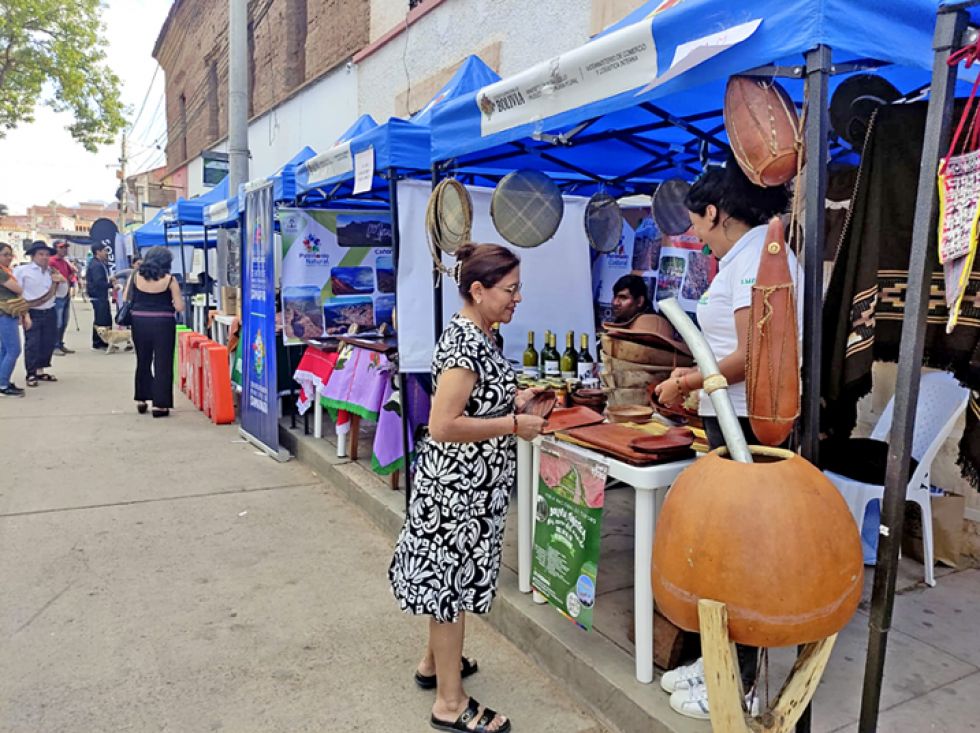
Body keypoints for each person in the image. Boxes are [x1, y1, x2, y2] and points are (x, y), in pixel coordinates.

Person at [654, 161, 799, 721]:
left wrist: (687, 380)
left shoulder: (758, 260)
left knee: (747, 553)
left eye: (698, 225)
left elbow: (750, 356)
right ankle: (718, 659)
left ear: (715, 212)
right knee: (726, 546)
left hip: (749, 425)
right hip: (728, 417)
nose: (698, 237)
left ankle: (742, 682)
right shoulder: (743, 258)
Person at [388, 243, 546, 733]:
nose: (517, 298)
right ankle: (449, 704)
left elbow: (476, 402)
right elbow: (444, 425)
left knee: (448, 585)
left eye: (518, 287)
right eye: (510, 289)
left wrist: (513, 397)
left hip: (471, 488)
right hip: (456, 491)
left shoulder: (482, 333)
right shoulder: (463, 343)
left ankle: (434, 665)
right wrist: (513, 423)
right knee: (449, 591)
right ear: (477, 291)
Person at [126, 247, 184, 417]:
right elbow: (179, 306)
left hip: (139, 321)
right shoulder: (170, 280)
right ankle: (160, 405)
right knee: (163, 362)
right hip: (163, 323)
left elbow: (126, 298)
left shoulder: (135, 276)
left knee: (143, 360)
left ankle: (141, 399)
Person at [15, 241, 65, 387]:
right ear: (33, 256)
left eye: (47, 255)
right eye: (41, 254)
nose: (44, 257)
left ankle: (40, 370)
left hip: (49, 310)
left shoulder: (52, 272)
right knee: (32, 343)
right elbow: (17, 293)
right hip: (32, 311)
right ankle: (30, 373)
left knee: (47, 342)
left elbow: (62, 294)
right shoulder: (22, 271)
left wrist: (62, 282)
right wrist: (23, 313)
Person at [0, 243, 29, 396]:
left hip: (8, 313)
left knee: (5, 350)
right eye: (5, 254)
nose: (9, 258)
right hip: (5, 313)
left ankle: (2, 380)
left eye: (10, 254)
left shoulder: (7, 271)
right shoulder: (3, 273)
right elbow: (18, 289)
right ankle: (3, 385)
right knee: (13, 350)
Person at [49, 240, 78, 355]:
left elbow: (72, 272)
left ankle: (60, 343)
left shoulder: (64, 261)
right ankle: (54, 345)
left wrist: (72, 273)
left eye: (65, 247)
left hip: (65, 293)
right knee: (58, 322)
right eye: (61, 247)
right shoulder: (52, 261)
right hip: (57, 294)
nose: (64, 249)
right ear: (55, 248)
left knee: (64, 321)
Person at [86, 242, 116, 350]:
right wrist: (111, 285)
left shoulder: (99, 263)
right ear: (98, 252)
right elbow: (99, 283)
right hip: (98, 296)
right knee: (102, 320)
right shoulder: (96, 265)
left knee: (104, 319)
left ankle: (104, 341)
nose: (106, 253)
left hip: (101, 296)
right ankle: (99, 342)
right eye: (104, 251)